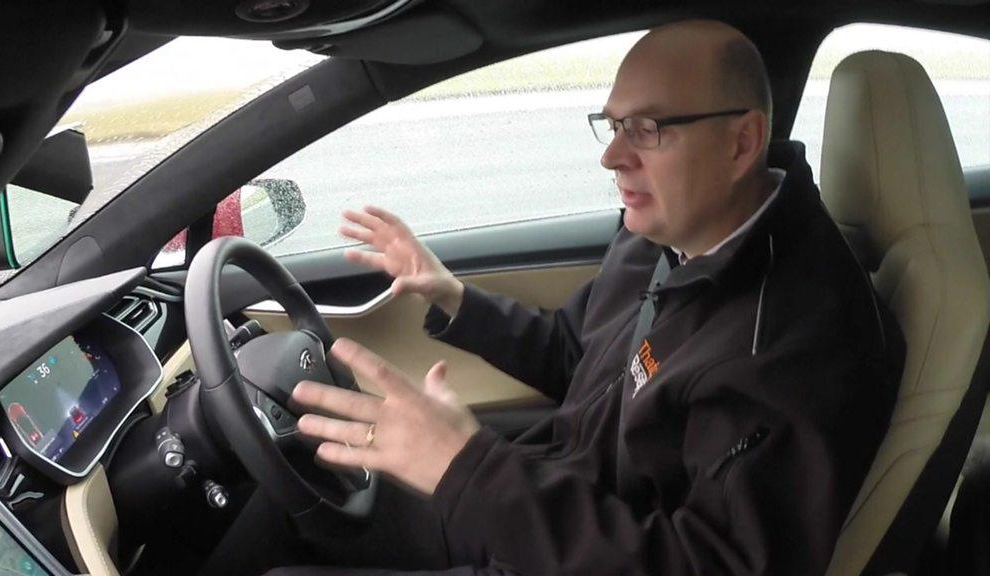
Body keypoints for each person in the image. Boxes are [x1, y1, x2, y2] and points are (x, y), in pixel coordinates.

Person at [272, 19, 905, 576]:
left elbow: (711, 564)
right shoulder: (665, 235)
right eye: (611, 125)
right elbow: (578, 351)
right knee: (290, 501)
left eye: (646, 129)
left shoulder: (794, 342)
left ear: (742, 143)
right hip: (542, 504)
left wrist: (470, 470)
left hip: (573, 544)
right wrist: (455, 298)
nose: (611, 157)